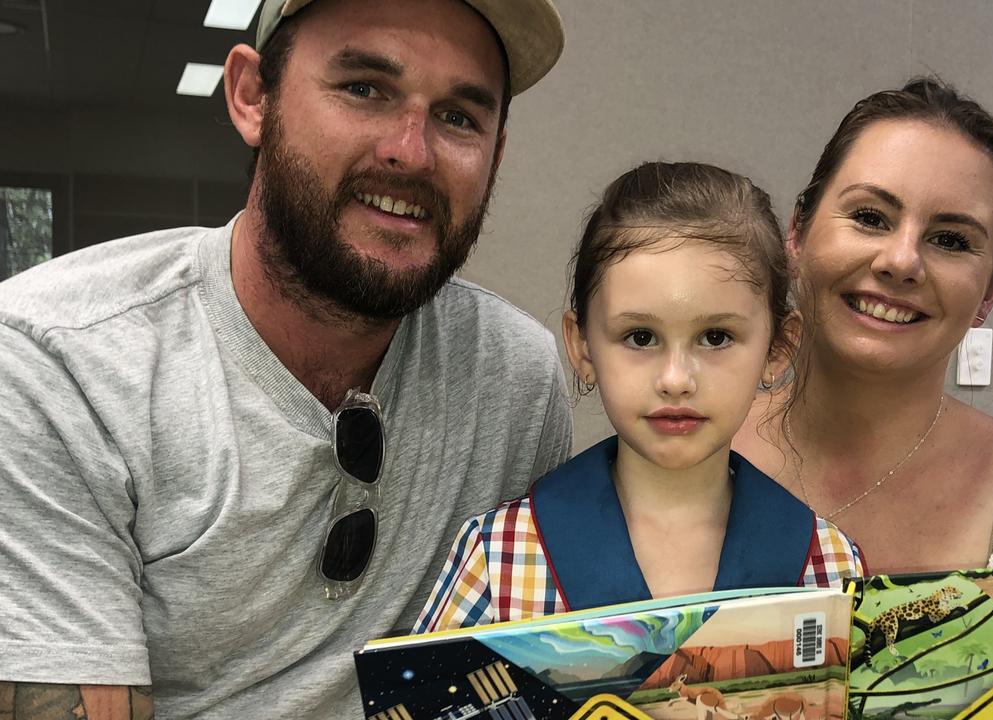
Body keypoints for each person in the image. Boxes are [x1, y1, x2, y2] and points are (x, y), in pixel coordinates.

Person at [0, 0, 571, 717]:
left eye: (459, 116)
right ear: (252, 97)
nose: (411, 151)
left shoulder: (514, 377)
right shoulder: (59, 364)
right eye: (365, 88)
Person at [415, 162, 865, 632]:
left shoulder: (829, 567)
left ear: (777, 348)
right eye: (640, 337)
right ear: (582, 345)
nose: (675, 379)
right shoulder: (501, 555)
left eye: (715, 337)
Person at [733, 78, 993, 575]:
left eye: (950, 240)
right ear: (796, 235)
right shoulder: (678, 446)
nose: (901, 261)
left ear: (987, 294)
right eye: (869, 216)